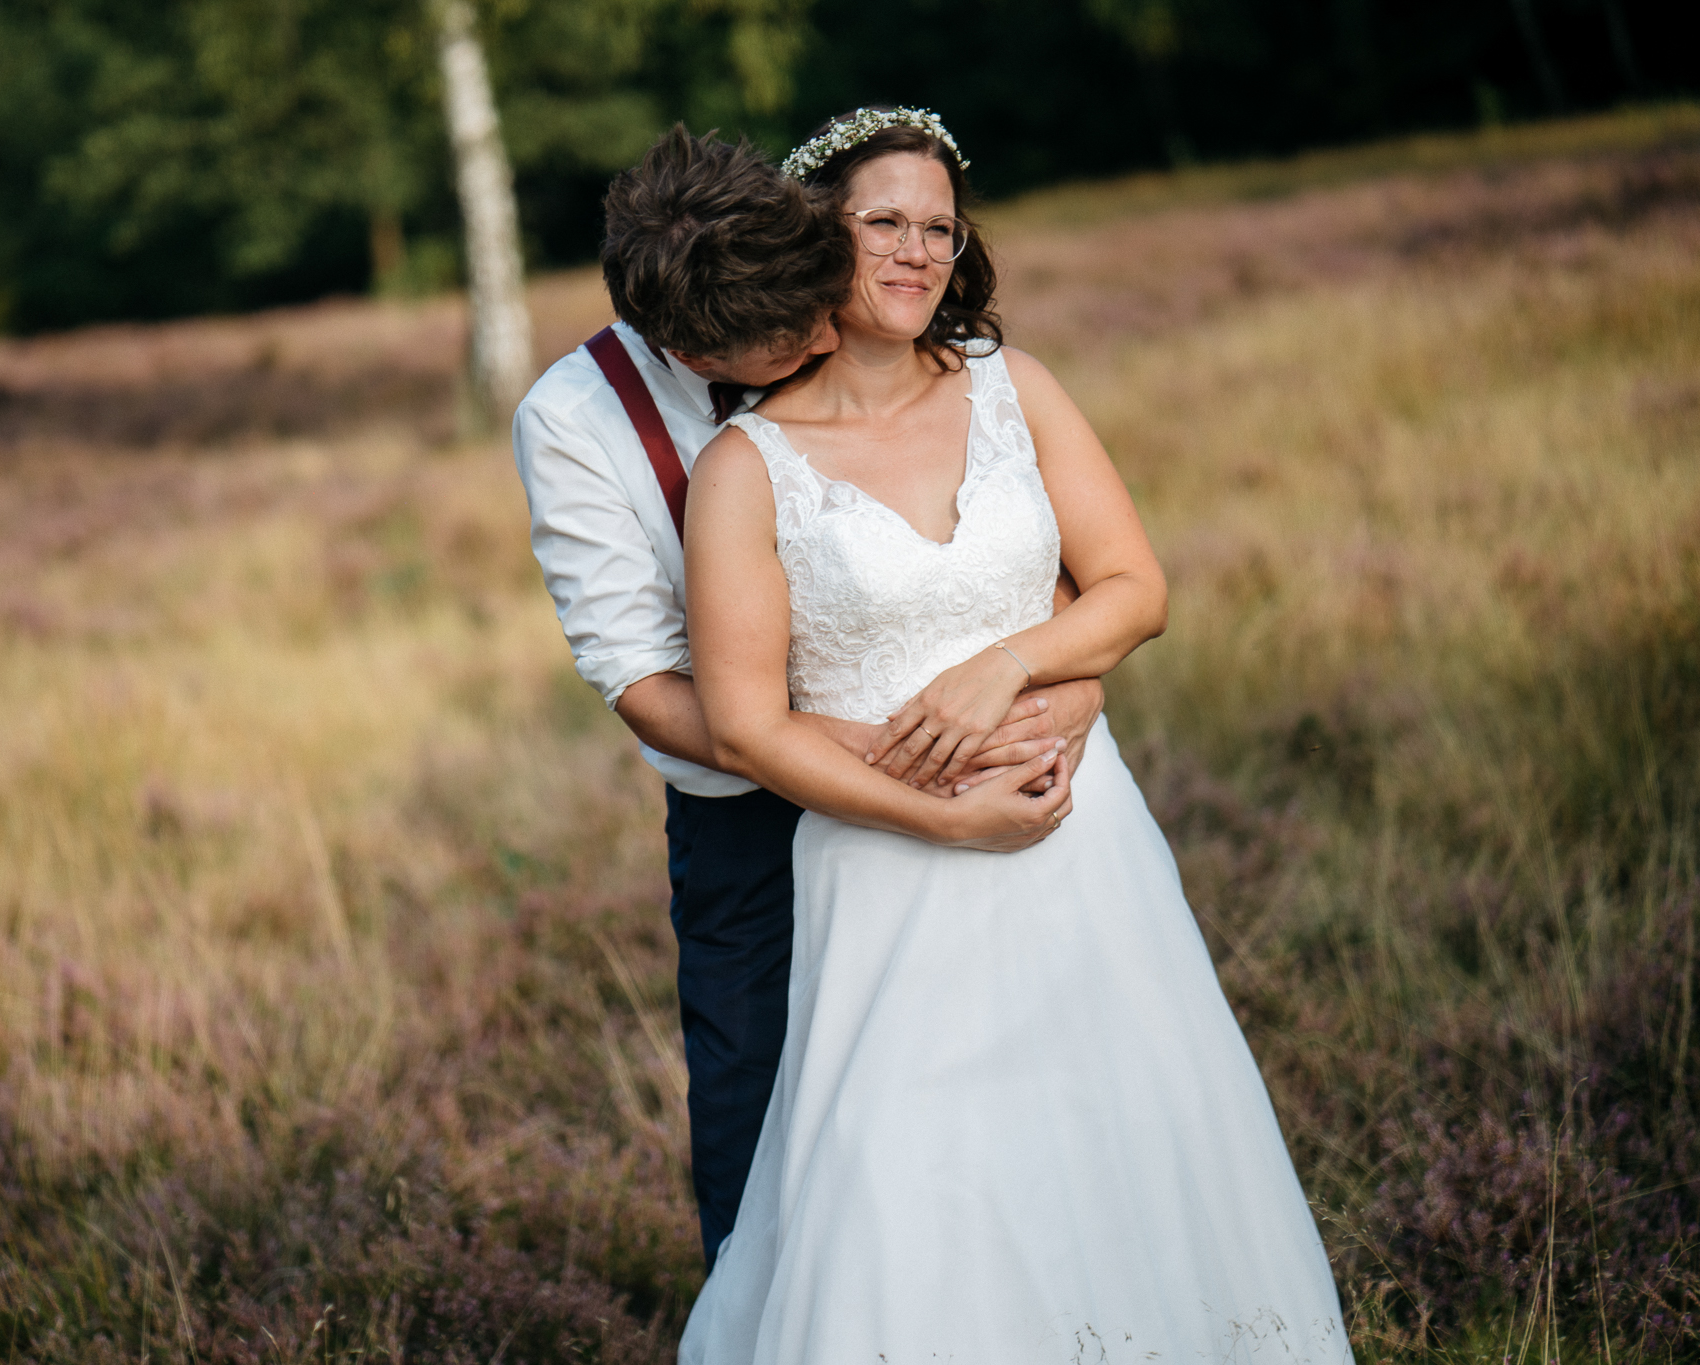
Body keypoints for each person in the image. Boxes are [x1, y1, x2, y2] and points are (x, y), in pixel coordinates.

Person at [678, 108, 1353, 1362]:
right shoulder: (744, 467)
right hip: (885, 870)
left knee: (1122, 1128)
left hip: (1078, 839)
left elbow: (1132, 591)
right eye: (882, 220)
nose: (914, 250)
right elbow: (748, 725)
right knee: (912, 1169)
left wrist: (1011, 667)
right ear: (815, 236)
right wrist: (943, 813)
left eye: (937, 227)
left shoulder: (1012, 386)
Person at [511, 126, 1105, 1270]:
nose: (834, 335)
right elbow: (639, 681)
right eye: (798, 338)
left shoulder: (844, 310)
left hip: (975, 764)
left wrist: (1047, 695)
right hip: (746, 816)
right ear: (687, 344)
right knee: (760, 1099)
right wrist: (887, 756)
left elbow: (1025, 563)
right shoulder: (574, 423)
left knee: (977, 1086)